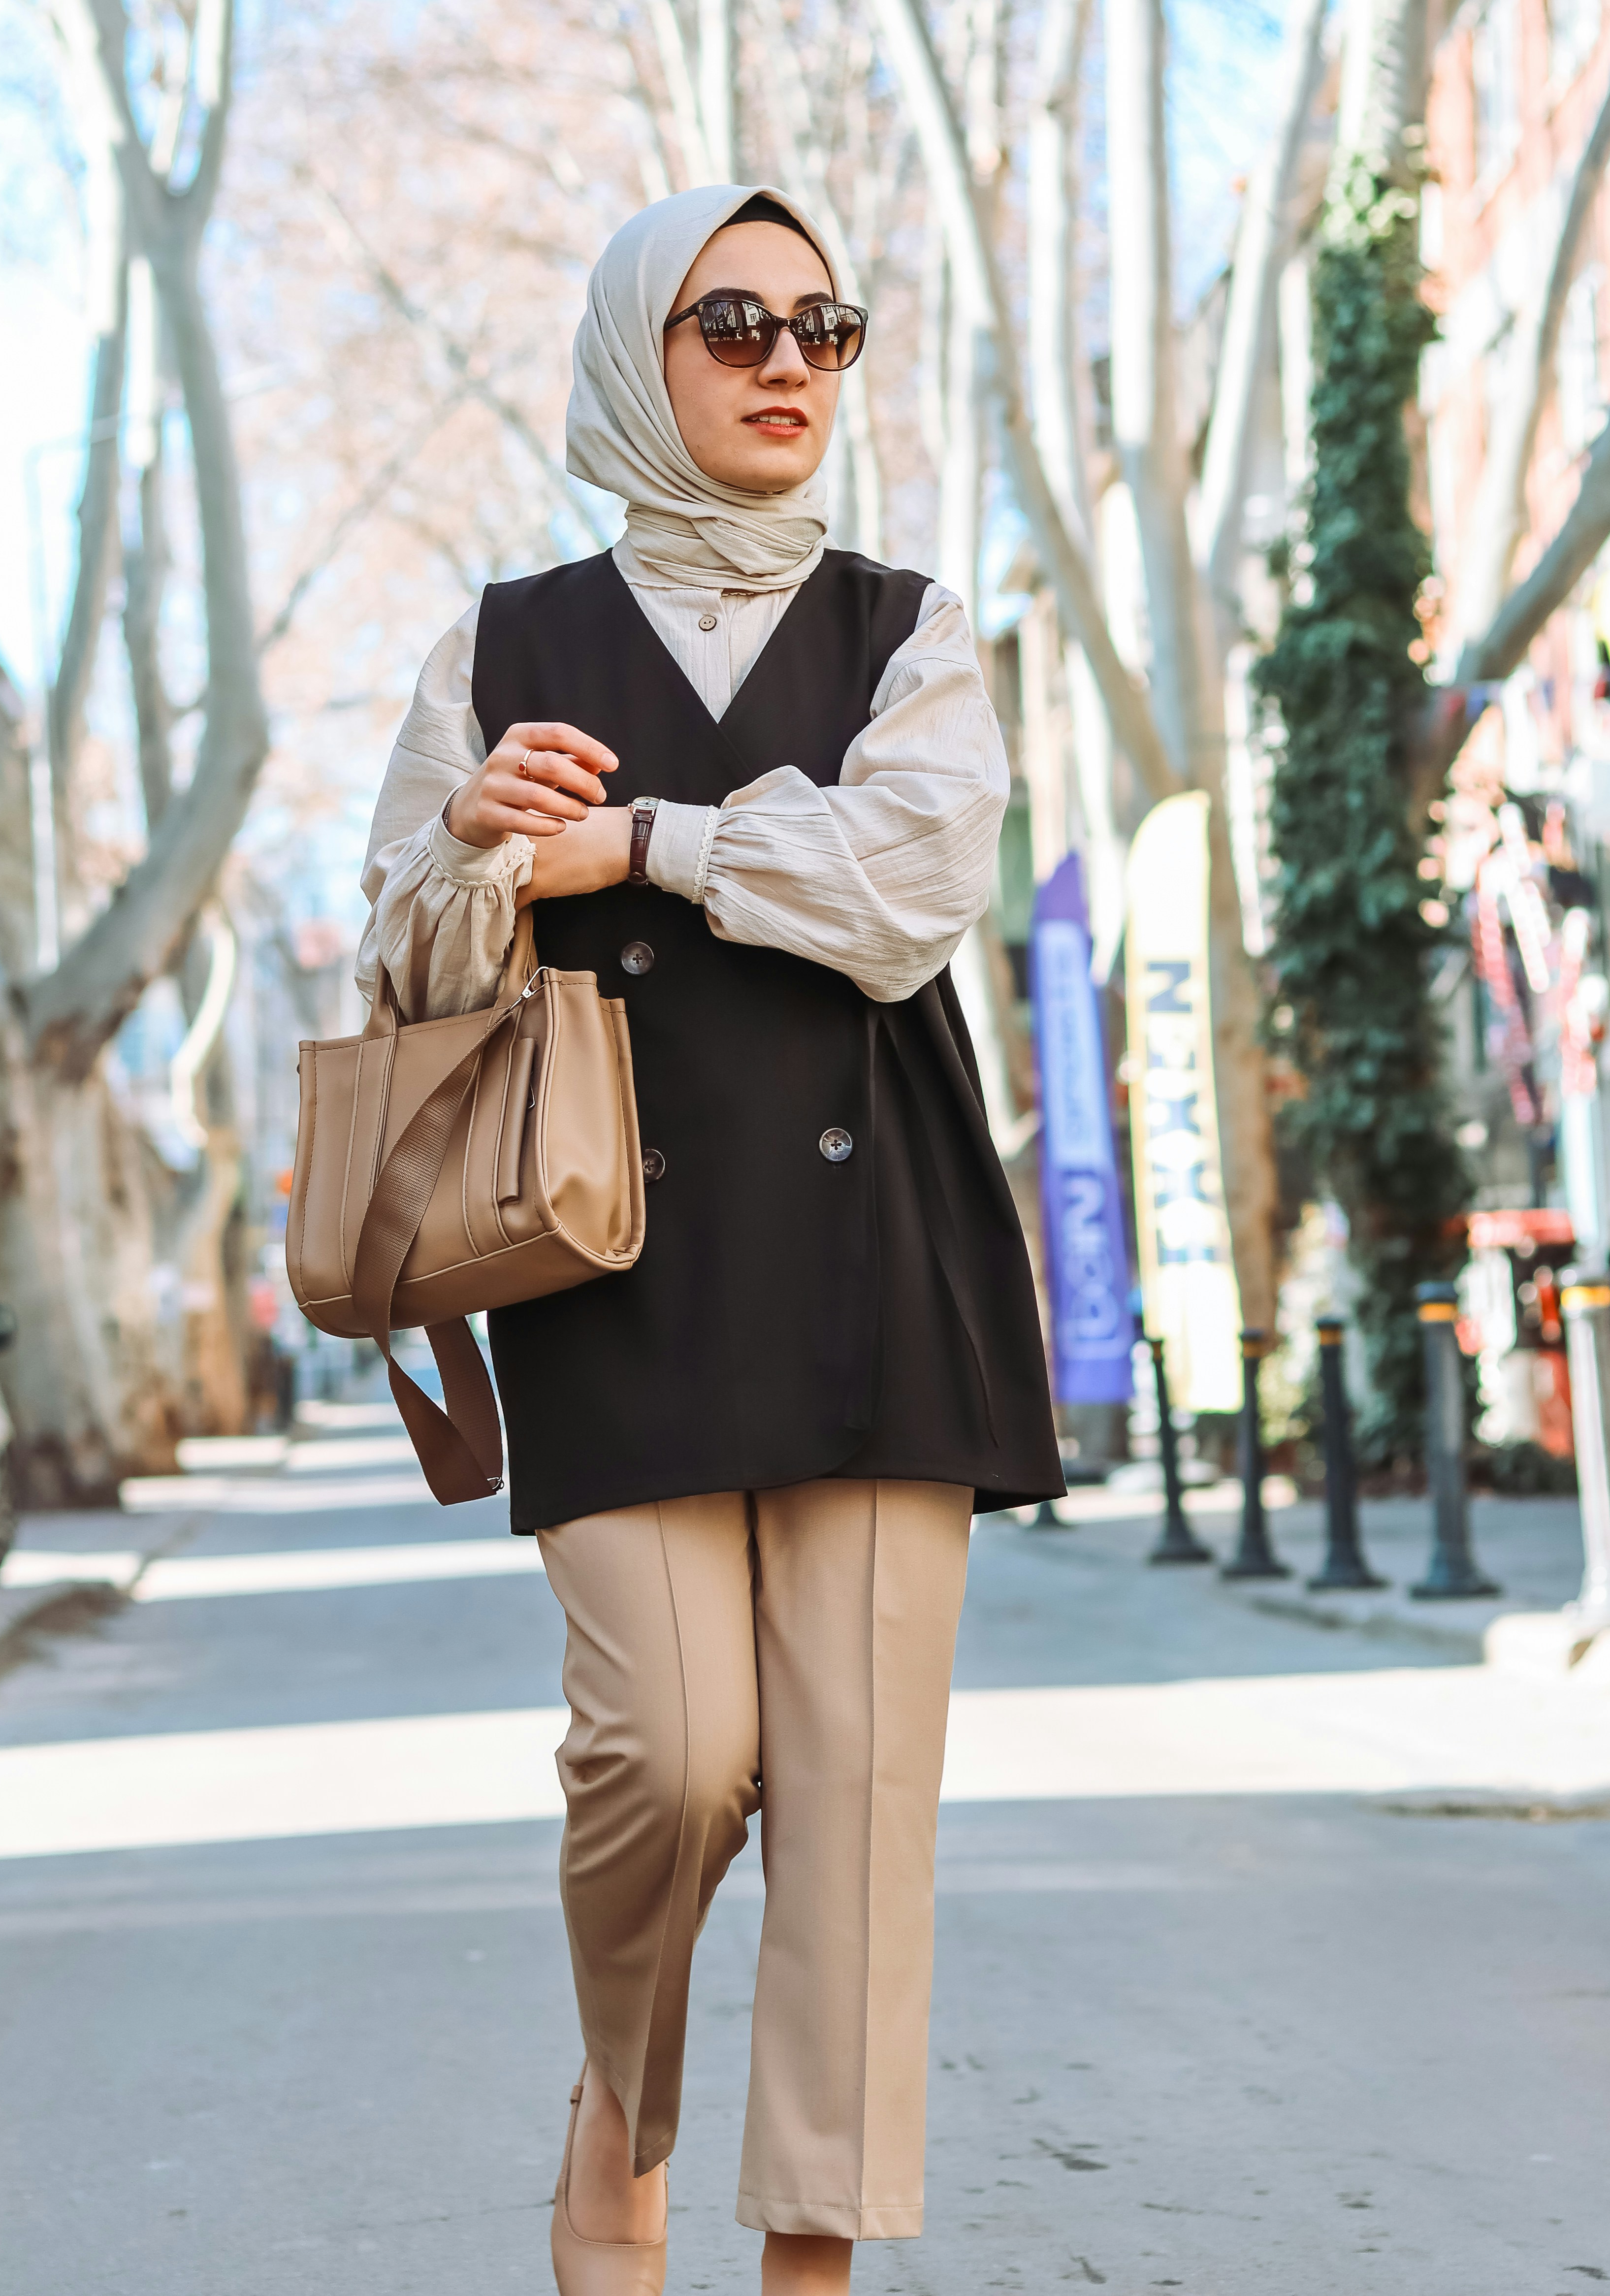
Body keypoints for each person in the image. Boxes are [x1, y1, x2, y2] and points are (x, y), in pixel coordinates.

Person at [358, 183, 1061, 2293]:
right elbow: (397, 975)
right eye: (731, 320)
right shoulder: (497, 649)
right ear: (631, 359)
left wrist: (637, 839)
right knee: (668, 1759)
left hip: (881, 1270)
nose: (785, 362)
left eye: (823, 327)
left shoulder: (911, 625)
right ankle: (624, 2100)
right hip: (601, 1265)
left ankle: (811, 2265)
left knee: (853, 1814)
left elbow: (905, 891)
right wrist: (483, 861)